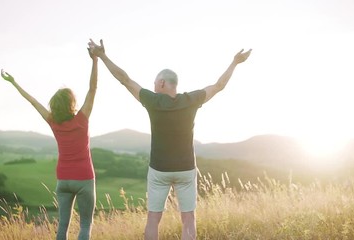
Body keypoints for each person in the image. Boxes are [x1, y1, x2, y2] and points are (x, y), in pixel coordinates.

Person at [89, 38, 251, 240]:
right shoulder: (191, 100)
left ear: (162, 83)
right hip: (185, 169)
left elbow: (125, 79)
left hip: (159, 170)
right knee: (189, 218)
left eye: (155, 82)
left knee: (153, 219)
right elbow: (219, 85)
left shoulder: (153, 100)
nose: (153, 85)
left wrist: (102, 56)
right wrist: (234, 62)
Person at [0, 43, 99, 240]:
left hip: (63, 179)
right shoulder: (82, 119)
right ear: (72, 103)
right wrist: (95, 61)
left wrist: (13, 82)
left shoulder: (53, 121)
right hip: (84, 178)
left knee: (62, 227)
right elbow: (93, 88)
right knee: (85, 226)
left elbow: (33, 101)